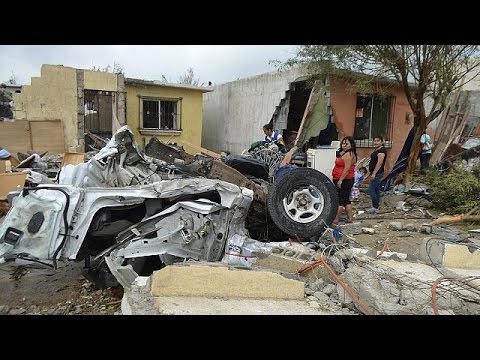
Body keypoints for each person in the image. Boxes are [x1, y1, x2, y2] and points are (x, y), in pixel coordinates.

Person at [331, 136, 357, 226]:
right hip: (343, 178)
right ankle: (349, 218)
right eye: (343, 143)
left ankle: (336, 220)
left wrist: (340, 180)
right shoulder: (345, 153)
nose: (344, 145)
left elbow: (347, 169)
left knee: (340, 200)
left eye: (347, 144)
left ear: (351, 145)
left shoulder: (348, 154)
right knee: (346, 200)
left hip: (345, 180)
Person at [365, 136, 387, 213]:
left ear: (382, 142)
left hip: (377, 173)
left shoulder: (381, 151)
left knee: (371, 190)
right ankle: (377, 206)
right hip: (374, 173)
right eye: (374, 141)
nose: (375, 142)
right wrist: (369, 173)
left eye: (378, 141)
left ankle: (375, 206)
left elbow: (379, 163)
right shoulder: (377, 150)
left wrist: (374, 173)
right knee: (376, 189)